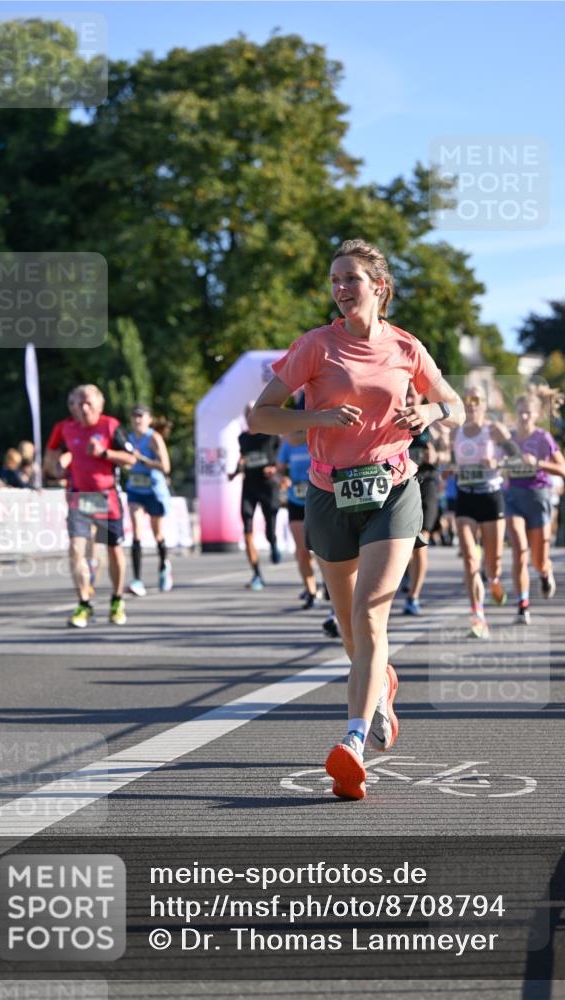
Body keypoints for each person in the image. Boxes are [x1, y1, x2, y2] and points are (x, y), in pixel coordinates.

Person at [248, 238, 464, 800]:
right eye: (335, 280)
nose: (342, 289)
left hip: (393, 489)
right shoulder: (315, 346)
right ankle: (382, 685)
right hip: (328, 493)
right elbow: (260, 415)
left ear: (379, 288)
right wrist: (316, 415)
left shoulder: (406, 347)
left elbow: (457, 405)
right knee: (350, 628)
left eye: (352, 279)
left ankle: (352, 741)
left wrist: (432, 410)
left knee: (371, 615)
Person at [44, 384, 136, 628]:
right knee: (76, 549)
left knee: (113, 550)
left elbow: (131, 459)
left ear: (99, 405)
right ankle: (84, 603)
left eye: (88, 404)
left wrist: (105, 453)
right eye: (79, 404)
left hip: (107, 499)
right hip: (79, 497)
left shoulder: (111, 426)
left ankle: (117, 601)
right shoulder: (66, 428)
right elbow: (51, 456)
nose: (83, 409)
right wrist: (55, 467)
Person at [452, 385, 521, 639]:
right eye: (466, 399)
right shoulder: (455, 432)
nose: (471, 404)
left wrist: (498, 463)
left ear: (484, 403)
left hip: (491, 497)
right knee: (470, 559)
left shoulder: (494, 430)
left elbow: (517, 457)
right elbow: (448, 459)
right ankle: (478, 615)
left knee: (493, 563)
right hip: (465, 498)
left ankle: (493, 581)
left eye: (476, 399)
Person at [502, 387, 565, 625]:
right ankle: (522, 605)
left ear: (537, 414)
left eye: (528, 413)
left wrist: (538, 463)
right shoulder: (508, 438)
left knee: (539, 558)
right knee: (519, 550)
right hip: (514, 497)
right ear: (516, 413)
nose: (524, 417)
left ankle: (544, 572)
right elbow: (499, 464)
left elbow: (564, 469)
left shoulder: (543, 438)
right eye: (520, 412)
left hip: (538, 497)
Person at [229, 404, 281, 591]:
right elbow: (242, 457)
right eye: (247, 413)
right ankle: (257, 574)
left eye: (252, 412)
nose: (250, 416)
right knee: (247, 528)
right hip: (249, 486)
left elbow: (280, 457)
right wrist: (235, 472)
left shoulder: (271, 435)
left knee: (269, 529)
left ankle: (273, 542)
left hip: (268, 486)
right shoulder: (242, 438)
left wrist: (274, 468)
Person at [402, 383, 444, 615]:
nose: (408, 397)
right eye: (405, 393)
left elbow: (448, 453)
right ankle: (405, 575)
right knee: (403, 545)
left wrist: (436, 455)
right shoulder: (394, 417)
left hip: (426, 484)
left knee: (421, 543)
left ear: (420, 396)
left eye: (412, 393)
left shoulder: (432, 423)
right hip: (400, 486)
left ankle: (414, 596)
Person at [125, 403, 173, 595]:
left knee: (157, 534)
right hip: (135, 490)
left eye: (141, 416)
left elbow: (166, 467)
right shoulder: (128, 439)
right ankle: (137, 580)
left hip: (154, 490)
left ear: (149, 419)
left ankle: (163, 567)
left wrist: (142, 459)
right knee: (136, 533)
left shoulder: (153, 438)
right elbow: (127, 462)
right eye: (134, 416)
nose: (137, 420)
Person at [277, 428, 321, 608]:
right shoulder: (289, 445)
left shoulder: (317, 439)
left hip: (319, 499)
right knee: (302, 550)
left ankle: (330, 582)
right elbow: (279, 470)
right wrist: (282, 479)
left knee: (322, 549)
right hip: (296, 500)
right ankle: (310, 591)